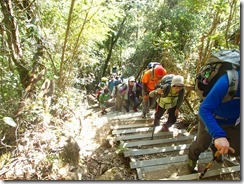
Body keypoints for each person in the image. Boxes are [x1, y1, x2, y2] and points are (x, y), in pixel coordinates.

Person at [187, 69, 240, 173]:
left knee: (236, 148)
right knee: (201, 144)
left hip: (233, 121)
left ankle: (216, 149)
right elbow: (204, 108)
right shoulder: (229, 81)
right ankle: (192, 157)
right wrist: (218, 135)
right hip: (211, 117)